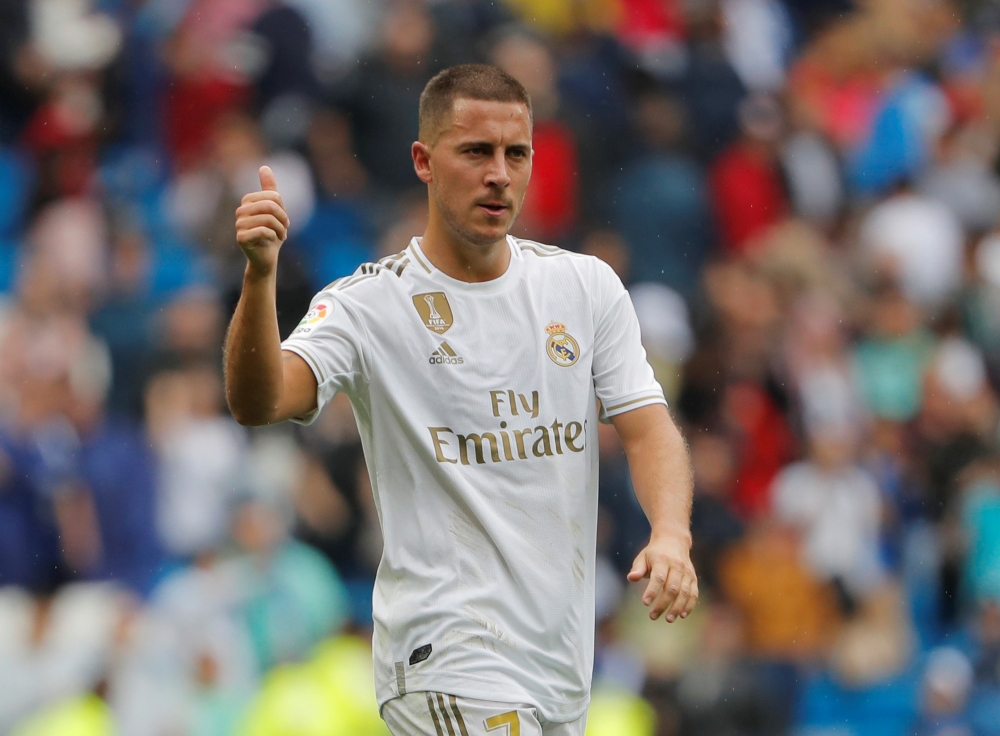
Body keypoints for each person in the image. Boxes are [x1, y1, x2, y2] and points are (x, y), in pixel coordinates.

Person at [224, 64, 697, 736]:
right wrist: (260, 276)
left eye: (517, 153)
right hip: (448, 657)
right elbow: (260, 400)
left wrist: (672, 535)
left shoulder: (584, 289)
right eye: (476, 151)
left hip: (559, 668)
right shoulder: (367, 305)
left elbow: (649, 429)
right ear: (423, 160)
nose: (499, 173)